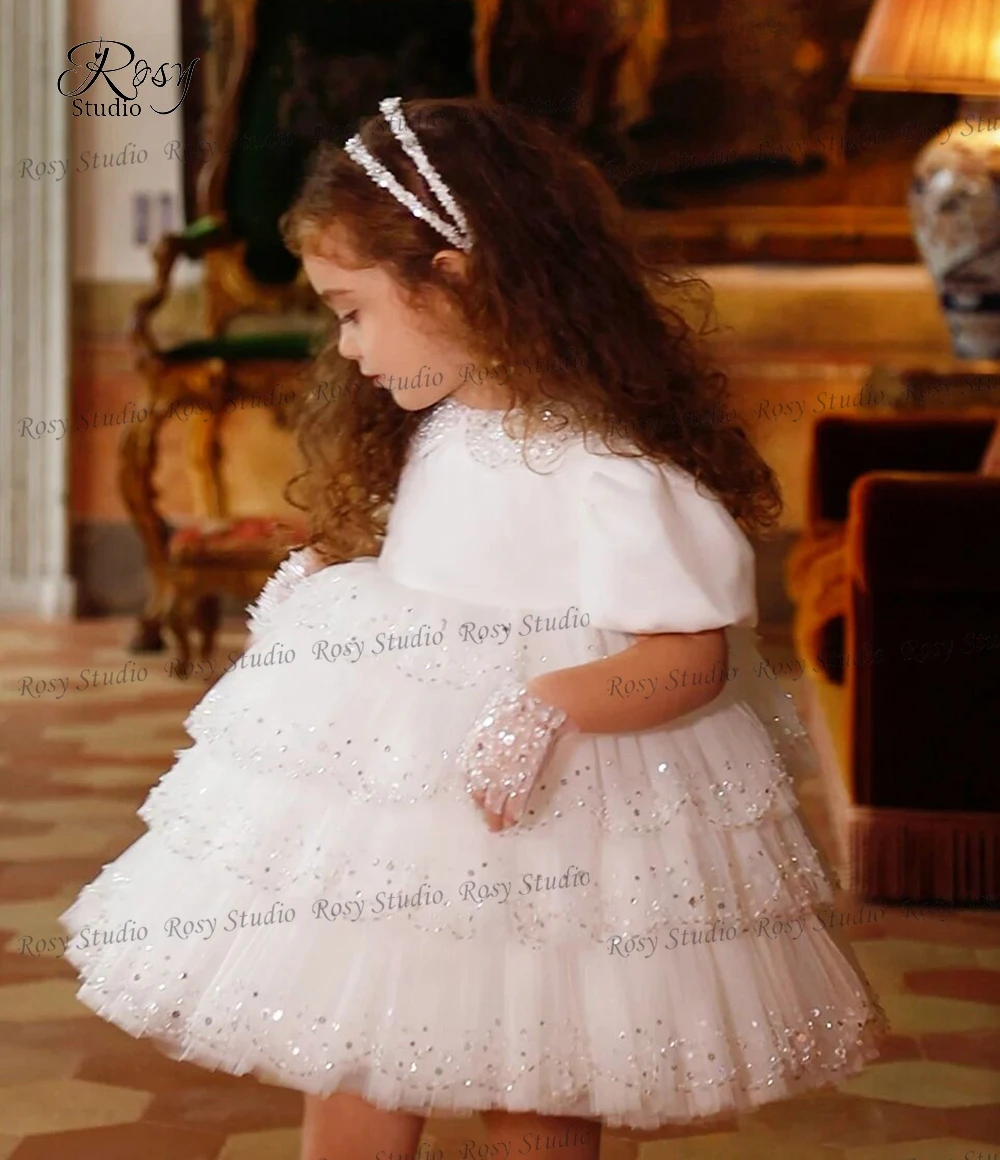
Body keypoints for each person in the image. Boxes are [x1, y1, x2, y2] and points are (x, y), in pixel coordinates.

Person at [59, 96, 888, 1160]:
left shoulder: (611, 475)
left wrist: (550, 704)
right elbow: (440, 578)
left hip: (550, 817)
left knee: (539, 1053)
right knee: (353, 1029)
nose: (345, 345)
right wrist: (331, 585)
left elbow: (688, 657)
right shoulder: (443, 422)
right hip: (401, 798)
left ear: (454, 274)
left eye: (354, 309)